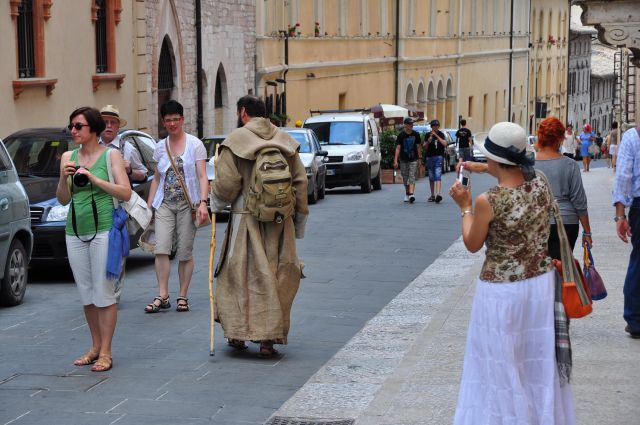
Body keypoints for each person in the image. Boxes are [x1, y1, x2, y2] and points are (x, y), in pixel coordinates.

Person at [449, 122, 575, 424]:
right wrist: (479, 168)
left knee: (500, 363)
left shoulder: (487, 201)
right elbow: (514, 174)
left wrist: (464, 207)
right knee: (534, 362)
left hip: (501, 291)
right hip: (539, 284)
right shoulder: (541, 182)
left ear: (495, 160)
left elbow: (472, 243)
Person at [210, 95, 308, 357]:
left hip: (246, 219)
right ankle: (269, 339)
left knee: (239, 276)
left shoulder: (235, 141)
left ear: (243, 112)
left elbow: (227, 186)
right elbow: (300, 183)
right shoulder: (286, 141)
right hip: (280, 222)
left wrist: (214, 204)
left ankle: (239, 333)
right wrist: (298, 223)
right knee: (277, 275)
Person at [56, 107, 132, 372]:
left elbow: (125, 192)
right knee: (87, 294)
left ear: (94, 130)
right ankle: (95, 346)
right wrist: (64, 178)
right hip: (74, 230)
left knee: (104, 292)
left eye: (79, 126)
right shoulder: (68, 156)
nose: (73, 131)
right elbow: (63, 199)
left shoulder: (111, 155)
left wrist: (93, 178)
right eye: (72, 126)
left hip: (104, 229)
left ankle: (107, 352)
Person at [145, 100, 209, 313]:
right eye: (168, 120)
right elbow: (156, 178)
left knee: (184, 252)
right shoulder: (159, 147)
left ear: (182, 120)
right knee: (161, 249)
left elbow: (202, 176)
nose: (172, 124)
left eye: (175, 119)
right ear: (163, 122)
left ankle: (183, 295)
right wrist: (149, 205)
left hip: (187, 205)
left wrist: (203, 203)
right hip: (164, 203)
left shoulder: (195, 144)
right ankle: (162, 294)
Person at [534, 117, 592, 260]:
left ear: (540, 137)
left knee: (540, 273)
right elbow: (579, 201)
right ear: (560, 139)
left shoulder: (529, 165)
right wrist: (587, 232)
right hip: (567, 223)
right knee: (563, 269)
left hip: (537, 223)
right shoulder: (570, 165)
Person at [613, 125, 640, 339]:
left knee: (639, 261)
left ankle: (635, 320)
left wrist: (620, 216)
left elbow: (623, 176)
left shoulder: (633, 136)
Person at [99, 105, 148, 183]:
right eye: (105, 122)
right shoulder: (92, 146)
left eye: (113, 122)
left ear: (118, 127)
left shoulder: (128, 148)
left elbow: (143, 176)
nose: (109, 126)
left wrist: (130, 171)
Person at [393, 117, 422, 203]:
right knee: (405, 176)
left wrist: (420, 158)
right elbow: (398, 148)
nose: (411, 125)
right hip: (403, 159)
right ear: (405, 125)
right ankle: (407, 193)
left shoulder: (416, 134)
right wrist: (395, 160)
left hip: (413, 159)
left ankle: (411, 194)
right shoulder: (401, 135)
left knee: (412, 175)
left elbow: (418, 147)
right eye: (409, 124)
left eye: (412, 124)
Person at [423, 119, 447, 203]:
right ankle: (433, 195)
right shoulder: (427, 135)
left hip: (438, 157)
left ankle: (438, 194)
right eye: (433, 126)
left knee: (438, 175)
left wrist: (436, 136)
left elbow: (445, 144)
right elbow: (424, 147)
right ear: (431, 127)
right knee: (431, 176)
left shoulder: (441, 134)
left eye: (436, 126)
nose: (435, 127)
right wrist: (428, 142)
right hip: (429, 157)